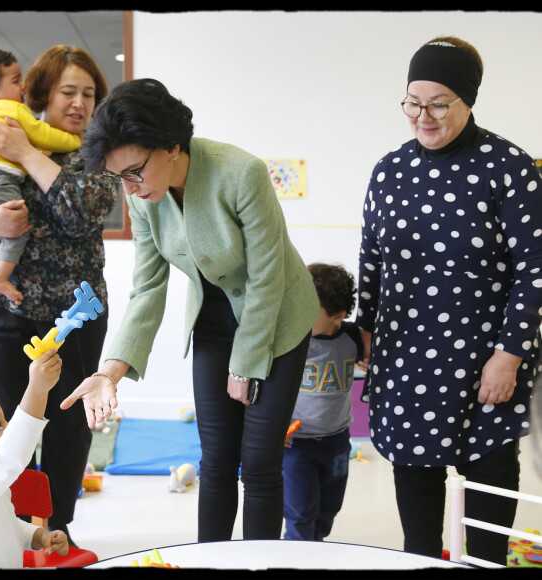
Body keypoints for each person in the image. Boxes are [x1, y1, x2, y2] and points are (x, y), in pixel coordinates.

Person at [60, 78, 321, 542]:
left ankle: (262, 560)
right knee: (216, 459)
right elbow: (147, 289)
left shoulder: (240, 173)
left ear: (172, 147)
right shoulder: (142, 199)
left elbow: (267, 279)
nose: (131, 188)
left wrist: (246, 365)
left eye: (136, 172)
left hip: (277, 316)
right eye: (120, 177)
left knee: (259, 461)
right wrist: (110, 372)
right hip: (214, 319)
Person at [356, 36, 542, 565]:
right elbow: (371, 257)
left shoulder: (508, 166)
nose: (424, 116)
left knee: (488, 488)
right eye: (414, 102)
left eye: (439, 103)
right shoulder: (390, 170)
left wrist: (510, 354)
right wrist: (365, 329)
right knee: (416, 498)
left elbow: (535, 270)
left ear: (468, 100)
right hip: (405, 354)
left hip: (486, 356)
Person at [0, 45, 119, 546]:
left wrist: (26, 152)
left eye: (89, 93)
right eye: (67, 91)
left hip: (74, 313)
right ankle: (14, 527)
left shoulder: (97, 151)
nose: (78, 102)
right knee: (4, 421)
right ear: (40, 93)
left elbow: (82, 212)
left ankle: (59, 527)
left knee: (69, 424)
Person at [0, 47, 82, 306]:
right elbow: (44, 133)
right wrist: (73, 140)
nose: (23, 86)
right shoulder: (12, 111)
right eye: (16, 81)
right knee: (17, 227)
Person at [0, 349, 68, 568]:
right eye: (0, 426)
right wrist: (37, 390)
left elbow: (7, 525)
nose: (8, 428)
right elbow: (12, 454)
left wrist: (39, 536)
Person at [282, 262, 365, 541]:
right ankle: (296, 557)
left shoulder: (353, 338)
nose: (299, 315)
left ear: (338, 316)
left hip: (337, 442)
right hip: (297, 445)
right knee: (300, 514)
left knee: (329, 509)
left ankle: (315, 549)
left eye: (310, 311)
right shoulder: (290, 339)